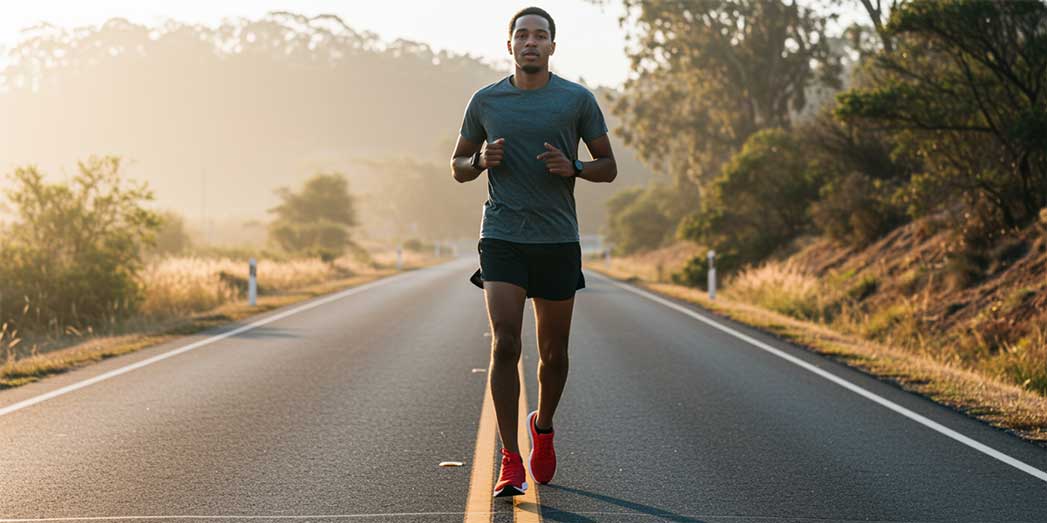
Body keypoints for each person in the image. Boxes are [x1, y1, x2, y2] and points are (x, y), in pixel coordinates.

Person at [449, 6, 617, 498]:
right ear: (509, 45)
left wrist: (576, 168)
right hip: (502, 235)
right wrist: (479, 160)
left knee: (554, 353)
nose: (530, 42)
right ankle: (510, 457)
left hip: (557, 239)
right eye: (521, 35)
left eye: (539, 36)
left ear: (552, 47)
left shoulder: (576, 100)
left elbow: (608, 165)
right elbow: (457, 165)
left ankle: (542, 427)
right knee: (505, 342)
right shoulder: (485, 101)